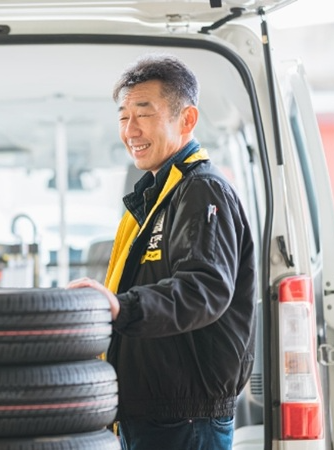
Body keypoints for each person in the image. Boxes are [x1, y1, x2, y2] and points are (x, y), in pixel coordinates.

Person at [67, 54, 256, 450]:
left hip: (186, 419)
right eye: (123, 117)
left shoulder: (202, 190)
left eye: (144, 114)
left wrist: (121, 307)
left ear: (187, 119)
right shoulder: (155, 198)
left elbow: (203, 289)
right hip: (153, 414)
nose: (130, 130)